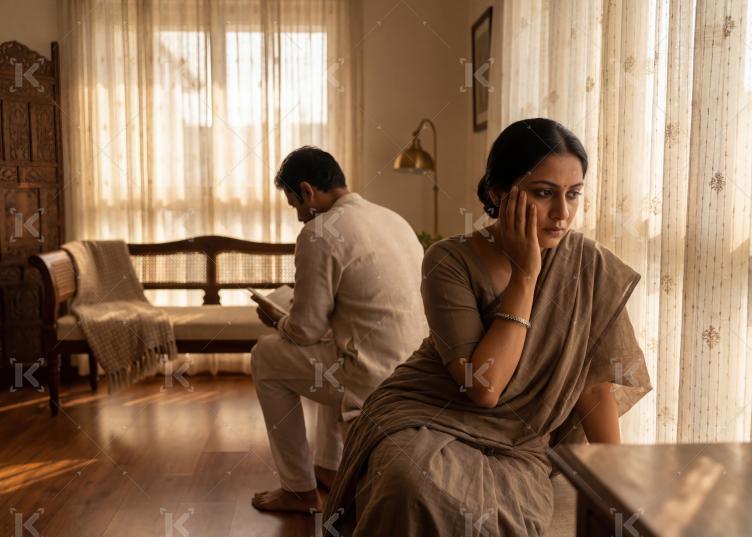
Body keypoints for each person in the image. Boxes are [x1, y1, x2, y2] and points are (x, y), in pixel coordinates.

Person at [322, 118, 653, 536]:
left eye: (573, 194)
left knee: (478, 508)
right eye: (543, 193)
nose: (562, 213)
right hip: (427, 411)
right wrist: (526, 277)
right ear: (499, 193)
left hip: (518, 438)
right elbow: (483, 387)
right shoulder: (449, 260)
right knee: (409, 485)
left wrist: (615, 484)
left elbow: (594, 387)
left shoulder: (589, 267)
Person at [249, 146, 428, 513]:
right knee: (337, 342)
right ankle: (330, 468)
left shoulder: (318, 232)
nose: (299, 216)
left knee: (266, 355)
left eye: (295, 204)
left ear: (307, 191)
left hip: (371, 377)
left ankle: (298, 489)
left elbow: (305, 331)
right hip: (414, 368)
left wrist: (278, 318)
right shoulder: (392, 218)